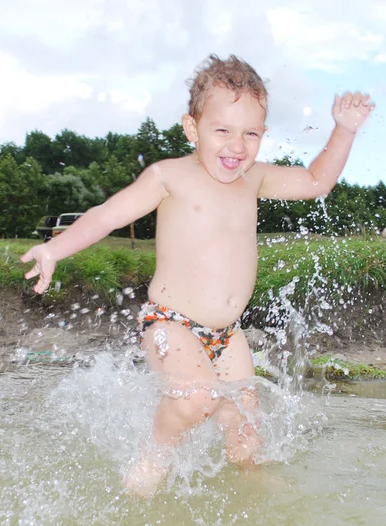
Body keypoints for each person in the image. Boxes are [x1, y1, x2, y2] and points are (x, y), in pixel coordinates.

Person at [21, 55, 374, 496]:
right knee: (196, 399)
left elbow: (316, 181)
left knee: (245, 431)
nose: (236, 146)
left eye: (250, 134)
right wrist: (54, 248)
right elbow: (106, 215)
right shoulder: (170, 176)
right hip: (171, 322)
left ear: (263, 135)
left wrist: (344, 129)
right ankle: (156, 454)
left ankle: (252, 484)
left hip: (228, 334)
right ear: (193, 129)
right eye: (222, 130)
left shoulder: (256, 178)